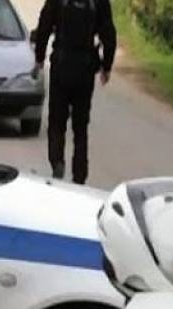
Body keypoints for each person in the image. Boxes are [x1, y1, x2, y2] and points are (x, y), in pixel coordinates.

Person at [34, 0, 116, 184]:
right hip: (85, 69)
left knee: (56, 121)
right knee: (80, 127)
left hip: (61, 65)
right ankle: (80, 174)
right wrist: (106, 66)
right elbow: (109, 33)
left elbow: (44, 24)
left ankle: (57, 161)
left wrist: (39, 57)